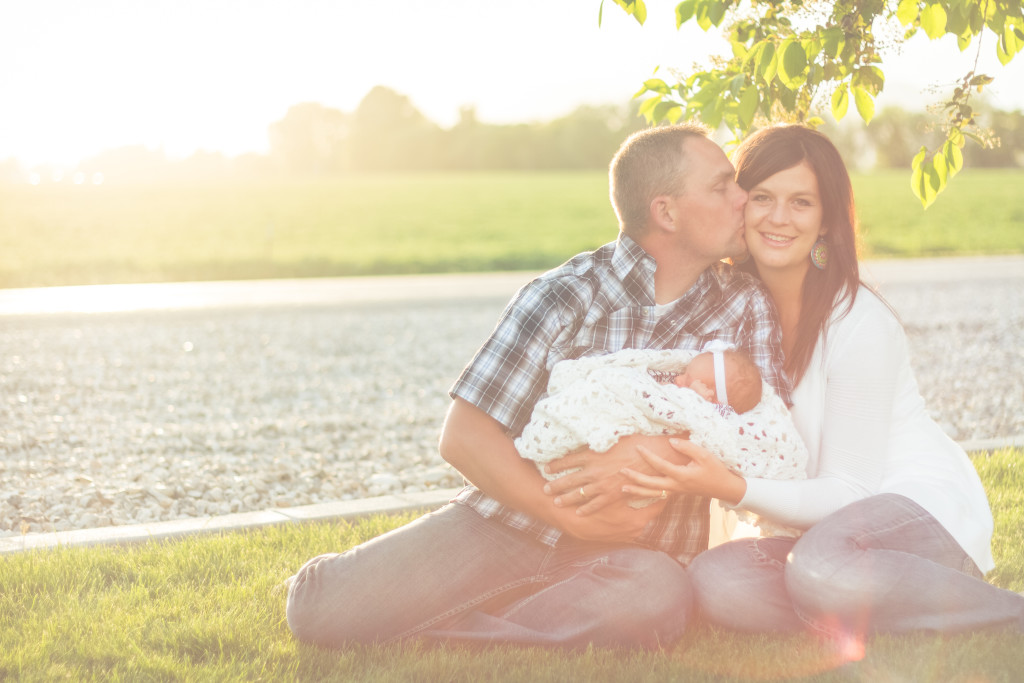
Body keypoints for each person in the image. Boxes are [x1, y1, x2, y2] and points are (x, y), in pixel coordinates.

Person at [284, 123, 790, 650]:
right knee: (322, 611)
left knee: (656, 598)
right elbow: (464, 436)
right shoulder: (563, 295)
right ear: (666, 212)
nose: (742, 199)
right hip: (508, 522)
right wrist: (559, 512)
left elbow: (761, 443)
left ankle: (448, 637)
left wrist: (650, 450)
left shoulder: (746, 308)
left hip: (634, 553)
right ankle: (524, 619)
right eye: (721, 186)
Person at [613, 124, 1023, 639]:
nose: (778, 218)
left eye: (801, 202)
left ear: (827, 220)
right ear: (740, 203)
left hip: (909, 507)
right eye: (762, 197)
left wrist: (732, 488)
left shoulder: (858, 322)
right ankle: (892, 615)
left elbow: (850, 491)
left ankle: (1003, 612)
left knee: (824, 568)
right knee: (718, 581)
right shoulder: (733, 314)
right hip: (819, 535)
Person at [516, 347, 804, 504]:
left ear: (712, 397)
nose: (678, 380)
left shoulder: (712, 413)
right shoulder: (684, 388)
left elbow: (706, 424)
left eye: (688, 379)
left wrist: (697, 401)